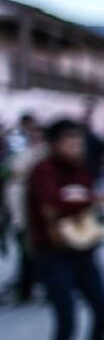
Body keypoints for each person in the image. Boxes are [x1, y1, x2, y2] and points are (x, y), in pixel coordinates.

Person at [27, 119, 104, 340]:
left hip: (83, 252)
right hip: (53, 255)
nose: (76, 148)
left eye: (79, 142)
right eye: (70, 142)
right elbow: (52, 211)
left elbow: (89, 209)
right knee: (67, 320)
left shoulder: (82, 170)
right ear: (54, 145)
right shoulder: (43, 171)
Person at [3, 114, 47, 303]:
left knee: (38, 252)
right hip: (21, 211)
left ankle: (33, 286)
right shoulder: (20, 151)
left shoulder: (45, 154)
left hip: (40, 212)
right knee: (27, 251)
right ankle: (26, 287)